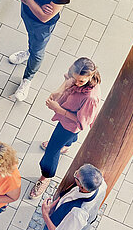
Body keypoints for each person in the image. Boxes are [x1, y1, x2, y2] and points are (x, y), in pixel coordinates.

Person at [27, 57, 102, 200]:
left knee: (51, 152)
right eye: (76, 79)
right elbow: (68, 79)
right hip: (67, 115)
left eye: (81, 81)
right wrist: (59, 91)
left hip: (69, 124)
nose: (77, 83)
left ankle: (46, 177)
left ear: (91, 76)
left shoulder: (91, 98)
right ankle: (66, 145)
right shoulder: (77, 74)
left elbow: (82, 123)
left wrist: (59, 109)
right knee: (63, 141)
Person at [8, 0, 73, 102]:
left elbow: (45, 18)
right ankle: (28, 52)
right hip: (27, 15)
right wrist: (36, 6)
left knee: (38, 52)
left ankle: (27, 79)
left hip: (42, 26)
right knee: (32, 40)